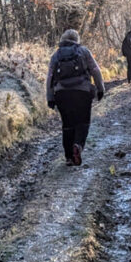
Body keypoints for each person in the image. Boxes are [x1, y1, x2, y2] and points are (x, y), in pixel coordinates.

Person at [46, 29, 105, 166]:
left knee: (67, 125)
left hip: (62, 94)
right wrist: (100, 89)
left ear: (63, 39)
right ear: (77, 39)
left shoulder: (56, 55)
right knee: (83, 122)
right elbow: (95, 70)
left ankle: (68, 157)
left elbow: (50, 77)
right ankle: (77, 146)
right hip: (82, 92)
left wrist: (50, 98)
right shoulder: (84, 51)